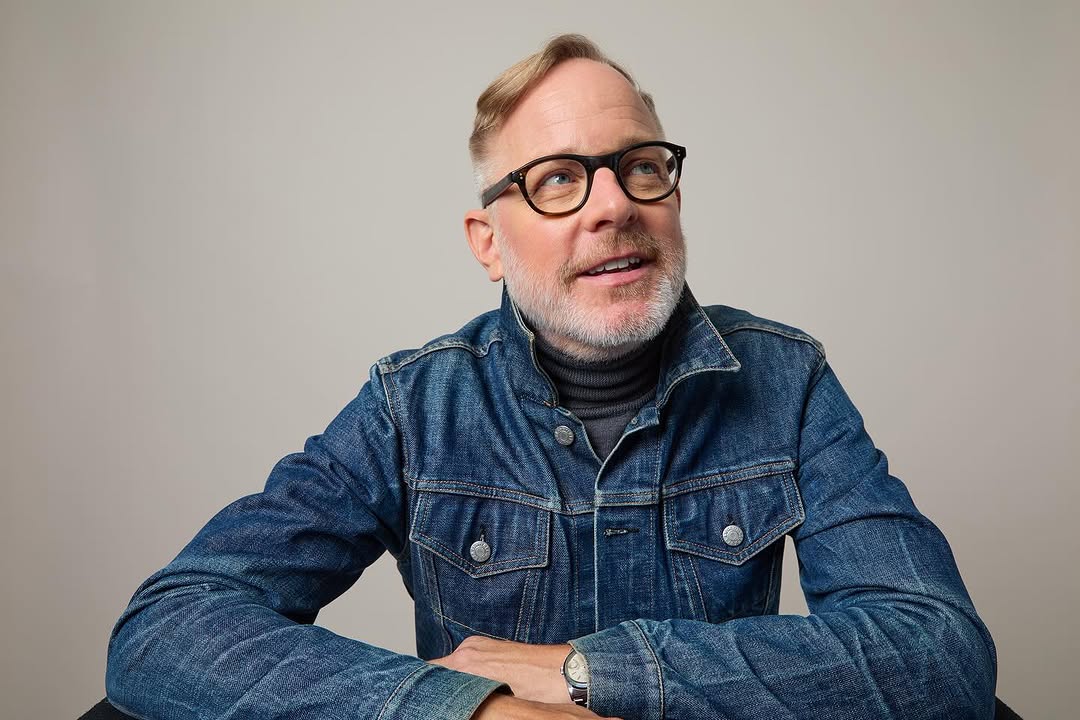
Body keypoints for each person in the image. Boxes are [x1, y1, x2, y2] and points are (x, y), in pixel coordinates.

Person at [105, 34, 997, 720]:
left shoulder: (786, 379)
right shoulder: (413, 406)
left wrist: (588, 672)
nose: (614, 205)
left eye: (641, 167)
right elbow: (168, 628)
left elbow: (940, 654)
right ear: (487, 243)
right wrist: (478, 711)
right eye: (558, 180)